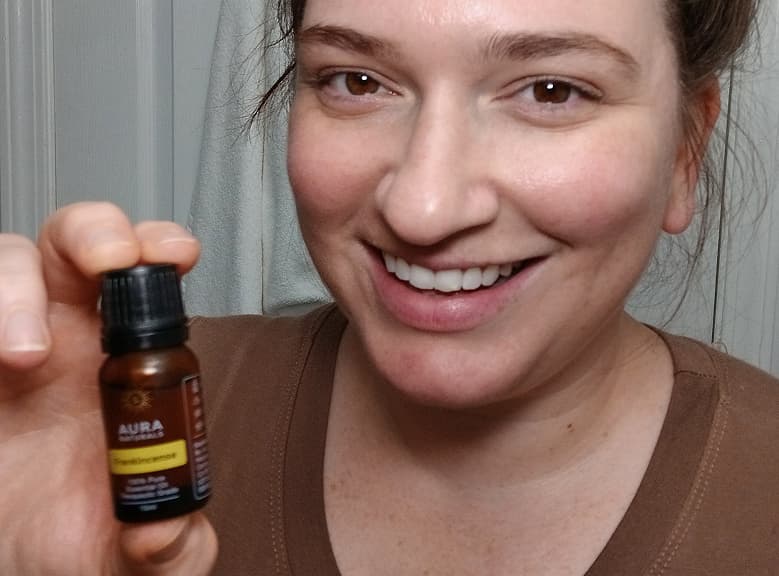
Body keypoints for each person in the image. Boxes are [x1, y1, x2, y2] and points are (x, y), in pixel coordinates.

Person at [0, 0, 775, 574]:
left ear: (683, 152)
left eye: (550, 91)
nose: (421, 206)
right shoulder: (125, 423)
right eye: (357, 80)